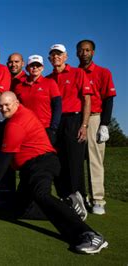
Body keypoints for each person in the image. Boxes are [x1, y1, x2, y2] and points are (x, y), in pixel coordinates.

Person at [0, 91, 108, 255]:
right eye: (0, 106)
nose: (3, 108)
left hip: (40, 163)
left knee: (41, 194)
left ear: (16, 103)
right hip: (32, 167)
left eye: (7, 104)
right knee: (20, 210)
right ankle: (69, 207)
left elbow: (6, 157)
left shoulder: (15, 124)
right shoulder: (22, 113)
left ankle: (89, 235)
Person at [46, 44, 92, 217]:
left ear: (65, 57)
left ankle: (80, 198)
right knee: (58, 161)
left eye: (59, 54)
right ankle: (65, 197)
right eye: (53, 55)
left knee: (74, 161)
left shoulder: (78, 73)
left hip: (74, 119)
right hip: (56, 122)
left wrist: (84, 125)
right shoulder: (48, 78)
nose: (56, 57)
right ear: (50, 59)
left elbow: (87, 100)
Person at [77, 40, 117, 215]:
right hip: (76, 118)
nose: (84, 53)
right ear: (77, 53)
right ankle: (80, 197)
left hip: (94, 118)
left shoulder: (103, 72)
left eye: (87, 50)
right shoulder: (75, 72)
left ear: (93, 52)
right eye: (81, 50)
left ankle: (98, 200)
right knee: (76, 160)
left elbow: (108, 99)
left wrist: (105, 124)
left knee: (95, 160)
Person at [13, 55, 61, 146]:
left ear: (42, 68)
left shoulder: (50, 83)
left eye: (38, 65)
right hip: (25, 128)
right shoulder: (19, 86)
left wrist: (53, 128)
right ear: (27, 68)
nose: (35, 67)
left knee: (45, 157)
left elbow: (57, 106)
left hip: (45, 128)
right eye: (32, 65)